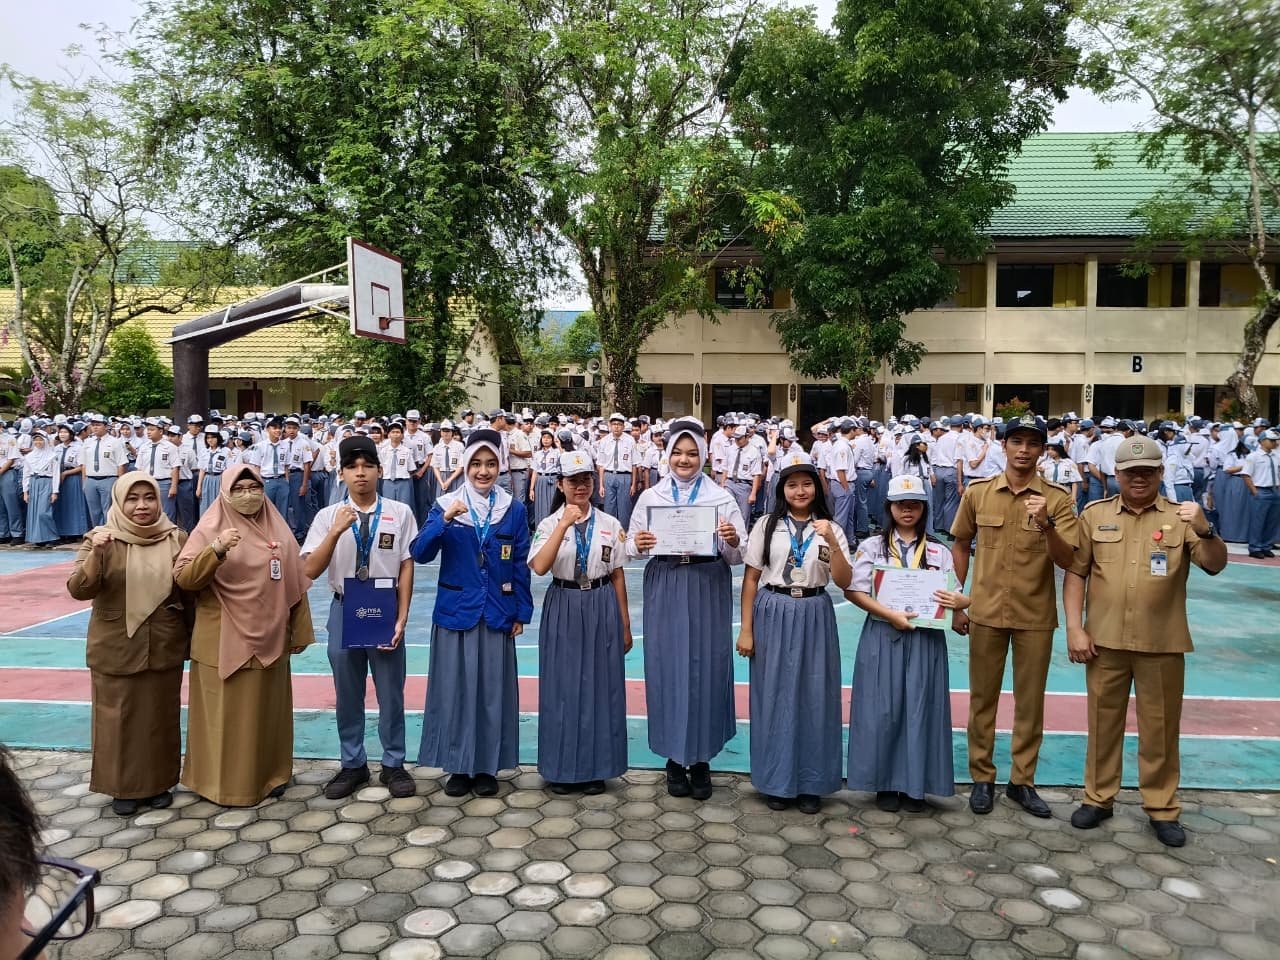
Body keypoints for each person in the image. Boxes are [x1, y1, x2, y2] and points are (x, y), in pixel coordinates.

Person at [1064, 435, 1227, 847]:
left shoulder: (1182, 517)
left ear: (1160, 473)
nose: (1139, 478)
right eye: (1130, 472)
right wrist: (1074, 627)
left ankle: (1162, 808)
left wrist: (1206, 530)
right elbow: (1076, 573)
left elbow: (1214, 565)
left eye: (1147, 471)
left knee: (1160, 729)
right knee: (1102, 725)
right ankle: (1098, 799)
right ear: (1116, 474)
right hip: (1105, 641)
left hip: (1162, 643)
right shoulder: (1094, 515)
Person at [950, 414, 1079, 818]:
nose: (1024, 449)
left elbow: (1068, 559)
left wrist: (1047, 524)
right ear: (1003, 445)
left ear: (1043, 449)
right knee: (982, 699)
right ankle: (982, 778)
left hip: (1034, 614)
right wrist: (959, 597)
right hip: (985, 610)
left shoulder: (1058, 499)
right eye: (1016, 441)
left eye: (1032, 443)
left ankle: (1022, 782)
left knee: (1030, 702)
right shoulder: (980, 493)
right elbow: (960, 543)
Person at [174, 465, 315, 806]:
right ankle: (221, 785)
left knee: (268, 713)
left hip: (272, 634)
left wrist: (299, 630)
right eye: (239, 488)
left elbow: (294, 584)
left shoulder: (277, 528)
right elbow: (184, 578)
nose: (248, 494)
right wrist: (216, 550)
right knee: (227, 717)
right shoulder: (210, 528)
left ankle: (272, 776)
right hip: (224, 635)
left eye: (254, 487)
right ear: (224, 491)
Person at [410, 429, 533, 797]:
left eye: (491, 463)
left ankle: (487, 766)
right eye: (476, 463)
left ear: (500, 466)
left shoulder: (511, 508)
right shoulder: (445, 504)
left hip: (497, 611)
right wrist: (444, 518)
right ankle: (458, 765)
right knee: (456, 691)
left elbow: (521, 563)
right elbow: (420, 552)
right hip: (457, 612)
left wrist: (521, 613)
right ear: (465, 465)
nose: (483, 471)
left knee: (492, 693)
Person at [628, 419, 746, 800]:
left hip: (707, 581)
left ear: (704, 455)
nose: (684, 459)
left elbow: (737, 555)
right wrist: (640, 542)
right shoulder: (651, 497)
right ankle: (674, 760)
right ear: (667, 455)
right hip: (666, 580)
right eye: (678, 452)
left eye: (692, 452)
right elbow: (631, 546)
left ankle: (701, 759)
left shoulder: (721, 498)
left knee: (707, 667)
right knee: (669, 665)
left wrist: (730, 539)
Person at [66, 472, 190, 815]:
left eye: (148, 498)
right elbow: (79, 588)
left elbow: (191, 592)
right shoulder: (100, 538)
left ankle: (159, 782)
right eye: (132, 499)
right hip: (116, 644)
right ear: (119, 501)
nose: (141, 506)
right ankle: (122, 786)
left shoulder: (176, 537)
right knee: (117, 719)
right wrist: (98, 556)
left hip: (164, 642)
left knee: (160, 717)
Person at [846, 475, 969, 813]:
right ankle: (884, 782)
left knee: (920, 707)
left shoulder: (937, 551)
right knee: (881, 709)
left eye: (914, 503)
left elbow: (954, 591)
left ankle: (916, 784)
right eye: (901, 504)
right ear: (890, 507)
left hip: (925, 638)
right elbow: (854, 592)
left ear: (924, 507)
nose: (907, 509)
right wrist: (889, 613)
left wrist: (959, 604)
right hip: (883, 634)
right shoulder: (872, 547)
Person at [737, 451, 851, 814]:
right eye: (792, 485)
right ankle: (776, 780)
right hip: (774, 608)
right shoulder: (767, 525)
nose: (800, 491)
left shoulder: (831, 527)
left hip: (815, 611)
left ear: (817, 489)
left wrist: (831, 540)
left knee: (815, 695)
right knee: (773, 695)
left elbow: (845, 582)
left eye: (806, 484)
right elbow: (752, 578)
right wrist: (747, 629)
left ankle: (810, 782)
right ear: (782, 489)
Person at [302, 436, 416, 800]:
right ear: (342, 474)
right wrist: (336, 530)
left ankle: (394, 763)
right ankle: (353, 764)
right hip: (345, 606)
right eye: (353, 467)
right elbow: (310, 570)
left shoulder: (399, 513)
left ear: (380, 471)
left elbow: (406, 564)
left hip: (384, 609)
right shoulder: (326, 517)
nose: (361, 473)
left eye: (368, 466)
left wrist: (402, 617)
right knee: (347, 693)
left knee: (390, 692)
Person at [528, 450, 632, 794]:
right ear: (560, 484)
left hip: (601, 602)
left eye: (586, 479)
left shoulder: (610, 524)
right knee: (563, 687)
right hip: (565, 603)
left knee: (600, 686)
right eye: (573, 481)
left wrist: (625, 623)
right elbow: (540, 567)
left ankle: (595, 768)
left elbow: (617, 575)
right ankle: (561, 769)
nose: (581, 486)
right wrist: (563, 524)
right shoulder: (548, 524)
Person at [1242, 428, 1280, 558]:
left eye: (1276, 441)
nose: (1275, 443)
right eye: (1272, 441)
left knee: (1272, 521)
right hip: (1261, 490)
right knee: (1258, 521)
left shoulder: (1276, 456)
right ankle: (1255, 547)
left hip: (1274, 490)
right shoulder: (1253, 456)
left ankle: (1266, 546)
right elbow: (1246, 475)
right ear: (1263, 441)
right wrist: (1254, 491)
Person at [52, 425, 91, 543]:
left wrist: (66, 473)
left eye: (65, 432)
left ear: (71, 434)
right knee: (61, 505)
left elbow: (81, 466)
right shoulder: (57, 448)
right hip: (58, 477)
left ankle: (74, 532)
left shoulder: (78, 447)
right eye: (60, 432)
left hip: (73, 477)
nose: (62, 434)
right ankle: (62, 531)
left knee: (73, 504)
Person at [21, 430, 60, 549]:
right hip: (34, 483)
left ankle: (51, 536)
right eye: (36, 440)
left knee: (44, 511)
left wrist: (55, 491)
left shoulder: (52, 456)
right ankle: (39, 538)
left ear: (46, 441)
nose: (38, 442)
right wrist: (25, 491)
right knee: (34, 512)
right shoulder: (29, 457)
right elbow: (26, 474)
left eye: (40, 439)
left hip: (46, 482)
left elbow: (56, 474)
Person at [196, 426, 231, 516]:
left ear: (218, 438)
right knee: (205, 506)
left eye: (213, 437)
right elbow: (202, 470)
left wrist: (225, 486)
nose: (210, 440)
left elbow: (228, 470)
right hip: (207, 480)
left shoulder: (225, 451)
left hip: (220, 479)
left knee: (219, 506)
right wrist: (199, 487)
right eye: (208, 438)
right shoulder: (204, 451)